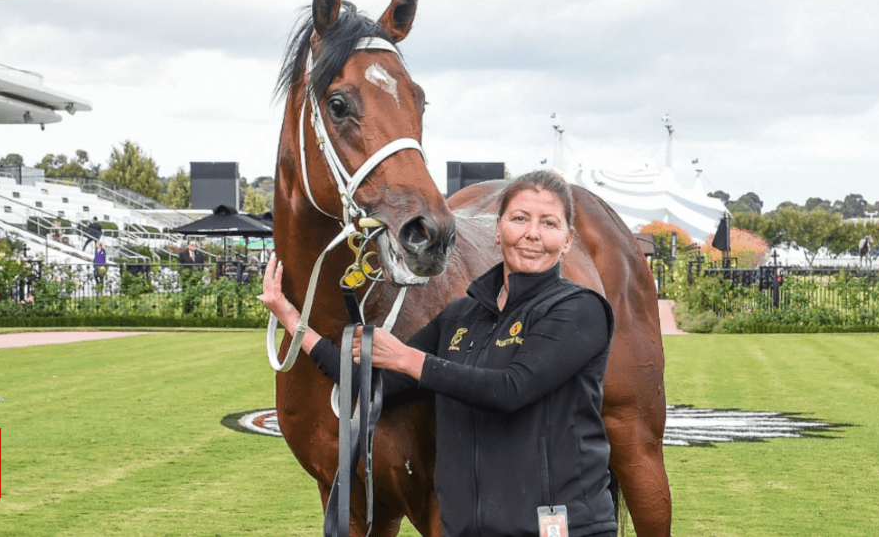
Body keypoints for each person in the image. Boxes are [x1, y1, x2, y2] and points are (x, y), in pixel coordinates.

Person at [259, 170, 618, 537]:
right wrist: (290, 317)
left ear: (568, 239)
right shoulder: (460, 317)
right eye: (520, 218)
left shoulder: (580, 310)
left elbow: (511, 389)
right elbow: (367, 382)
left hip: (555, 526)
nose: (532, 234)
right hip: (469, 528)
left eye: (549, 223)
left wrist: (409, 359)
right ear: (498, 230)